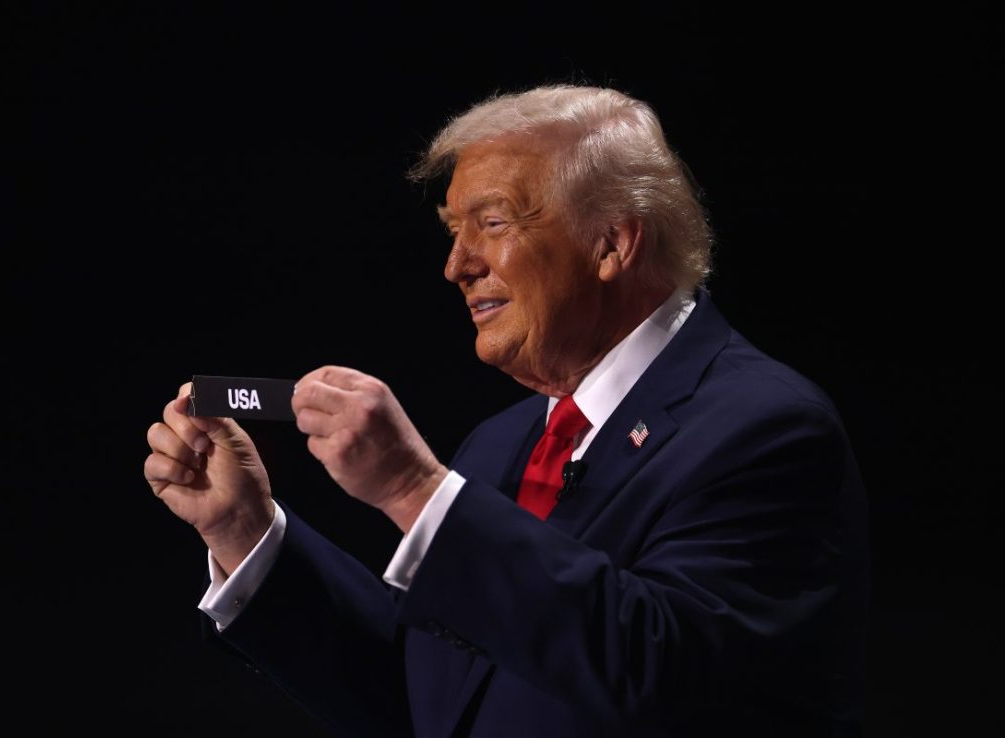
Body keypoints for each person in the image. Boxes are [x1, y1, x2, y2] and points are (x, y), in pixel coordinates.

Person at [144, 85, 869, 737]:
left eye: (490, 224)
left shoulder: (764, 427)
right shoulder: (501, 445)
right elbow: (426, 705)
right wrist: (245, 532)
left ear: (611, 243)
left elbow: (663, 677)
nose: (456, 265)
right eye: (453, 232)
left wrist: (410, 491)